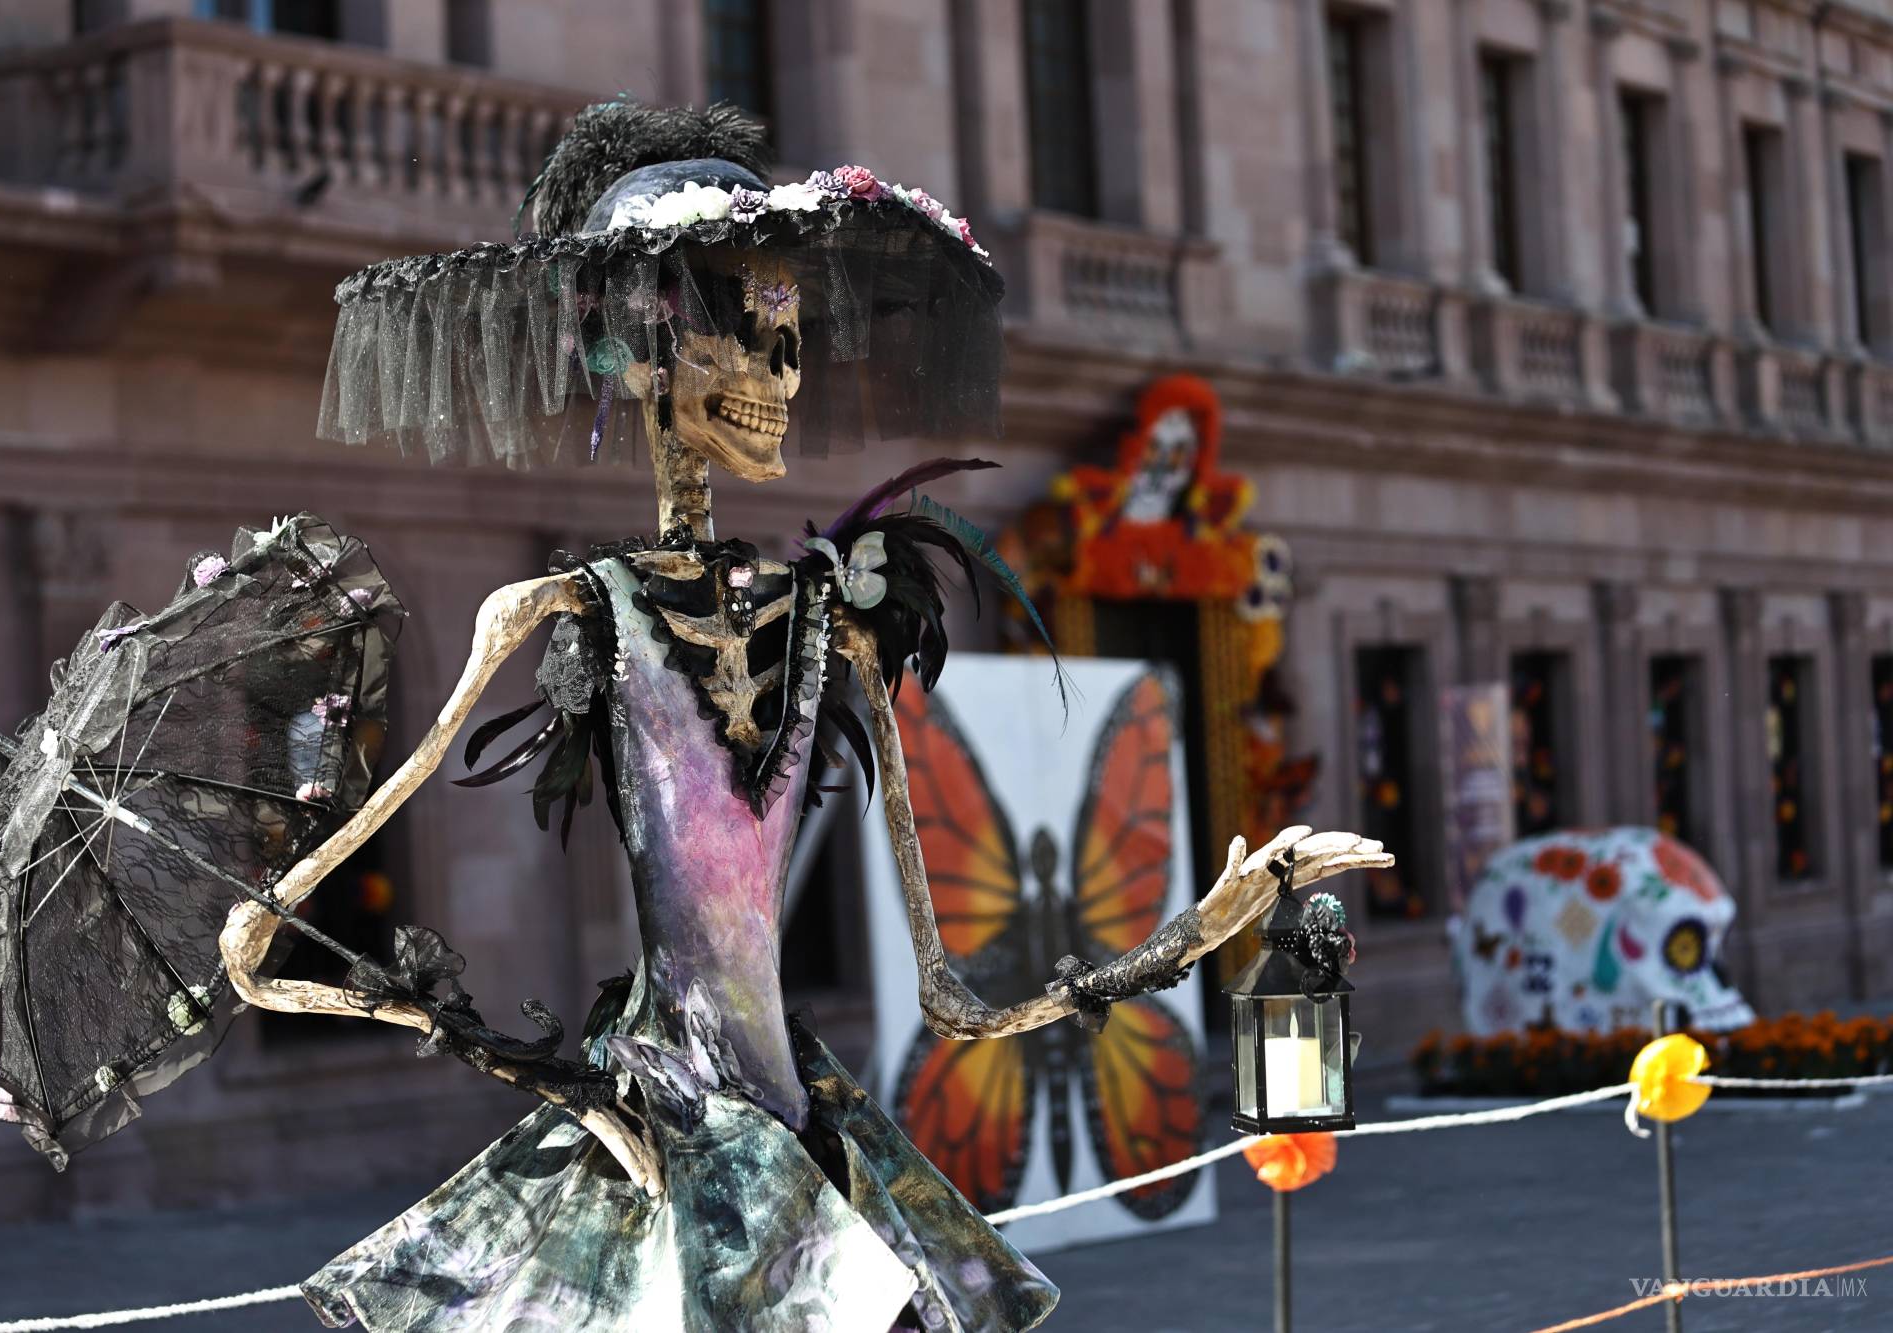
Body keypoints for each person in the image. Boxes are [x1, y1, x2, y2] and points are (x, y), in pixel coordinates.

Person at [216, 99, 1390, 1331]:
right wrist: (558, 1081)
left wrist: (1199, 928)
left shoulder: (827, 612)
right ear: (636, 347)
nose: (781, 380)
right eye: (739, 332)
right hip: (658, 1141)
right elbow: (257, 948)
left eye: (792, 342)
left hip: (805, 1134)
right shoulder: (557, 607)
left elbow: (955, 1003)